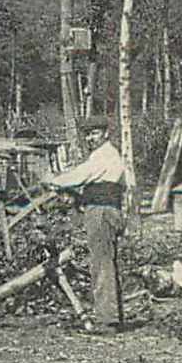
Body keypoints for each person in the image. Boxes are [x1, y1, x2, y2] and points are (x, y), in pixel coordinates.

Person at [45, 127, 128, 331]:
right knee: (106, 261)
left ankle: (107, 320)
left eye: (94, 133)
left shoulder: (105, 155)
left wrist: (54, 180)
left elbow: (80, 175)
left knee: (101, 263)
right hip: (104, 209)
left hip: (101, 213)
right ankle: (112, 316)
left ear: (106, 133)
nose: (91, 137)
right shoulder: (104, 155)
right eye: (89, 134)